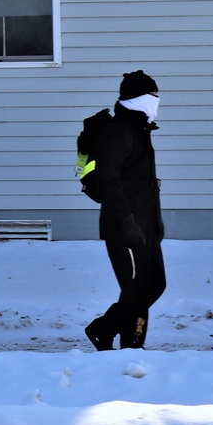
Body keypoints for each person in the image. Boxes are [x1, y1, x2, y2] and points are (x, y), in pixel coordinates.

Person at [84, 71, 167, 350]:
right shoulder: (116, 131)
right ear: (137, 98)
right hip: (124, 227)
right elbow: (110, 183)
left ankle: (103, 328)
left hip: (146, 226)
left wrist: (155, 224)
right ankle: (132, 348)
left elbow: (141, 185)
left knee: (155, 284)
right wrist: (128, 224)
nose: (157, 100)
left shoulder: (139, 130)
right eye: (152, 95)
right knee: (136, 288)